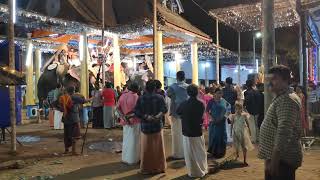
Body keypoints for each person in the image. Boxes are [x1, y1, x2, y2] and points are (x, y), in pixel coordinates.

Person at [259, 65, 303, 180]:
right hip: (279, 160)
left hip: (282, 161)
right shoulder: (282, 97)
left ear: (285, 80)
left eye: (273, 78)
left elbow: (284, 132)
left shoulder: (287, 99)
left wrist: (274, 161)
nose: (269, 82)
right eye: (268, 79)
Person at [134, 80, 168, 174]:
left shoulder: (141, 98)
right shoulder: (160, 97)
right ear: (155, 88)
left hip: (145, 126)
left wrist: (146, 116)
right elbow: (164, 109)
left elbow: (136, 111)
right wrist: (157, 116)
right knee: (158, 148)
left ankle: (146, 169)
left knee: (146, 149)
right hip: (157, 126)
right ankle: (160, 168)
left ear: (146, 88)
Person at [177, 84, 208, 178]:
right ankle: (202, 169)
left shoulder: (183, 104)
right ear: (197, 92)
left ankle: (192, 172)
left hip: (186, 131)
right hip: (197, 130)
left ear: (187, 93)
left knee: (189, 153)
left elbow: (178, 112)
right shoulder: (201, 104)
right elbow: (202, 116)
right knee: (200, 152)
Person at [59, 86, 89, 155]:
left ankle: (66, 150)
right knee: (74, 135)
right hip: (74, 118)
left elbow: (60, 107)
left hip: (66, 118)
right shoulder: (74, 97)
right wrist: (92, 98)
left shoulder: (63, 97)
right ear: (73, 91)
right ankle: (73, 151)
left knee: (66, 134)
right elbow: (84, 101)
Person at [167, 71, 188, 160]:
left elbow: (168, 94)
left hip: (175, 112)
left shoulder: (172, 87)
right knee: (185, 133)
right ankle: (186, 152)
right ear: (184, 77)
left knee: (176, 133)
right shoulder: (188, 87)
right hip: (186, 113)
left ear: (177, 77)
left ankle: (178, 154)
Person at [117, 83, 141, 165]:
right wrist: (129, 118)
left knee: (126, 140)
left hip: (125, 122)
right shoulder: (136, 97)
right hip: (135, 121)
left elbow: (117, 108)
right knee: (134, 141)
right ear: (136, 89)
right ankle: (133, 159)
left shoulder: (122, 96)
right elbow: (137, 111)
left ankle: (125, 158)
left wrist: (123, 117)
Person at [207, 88, 228, 158]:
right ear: (214, 93)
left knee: (221, 136)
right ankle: (214, 152)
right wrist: (211, 118)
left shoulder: (224, 101)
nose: (220, 95)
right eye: (218, 93)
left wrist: (224, 117)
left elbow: (228, 109)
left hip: (222, 122)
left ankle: (221, 152)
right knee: (214, 136)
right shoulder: (211, 101)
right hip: (214, 122)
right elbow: (207, 111)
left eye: (221, 93)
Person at [244, 79, 263, 143]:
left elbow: (246, 102)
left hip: (250, 111)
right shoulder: (257, 92)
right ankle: (258, 138)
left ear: (246, 85)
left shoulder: (246, 92)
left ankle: (253, 139)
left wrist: (245, 108)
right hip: (258, 110)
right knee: (257, 125)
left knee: (252, 125)